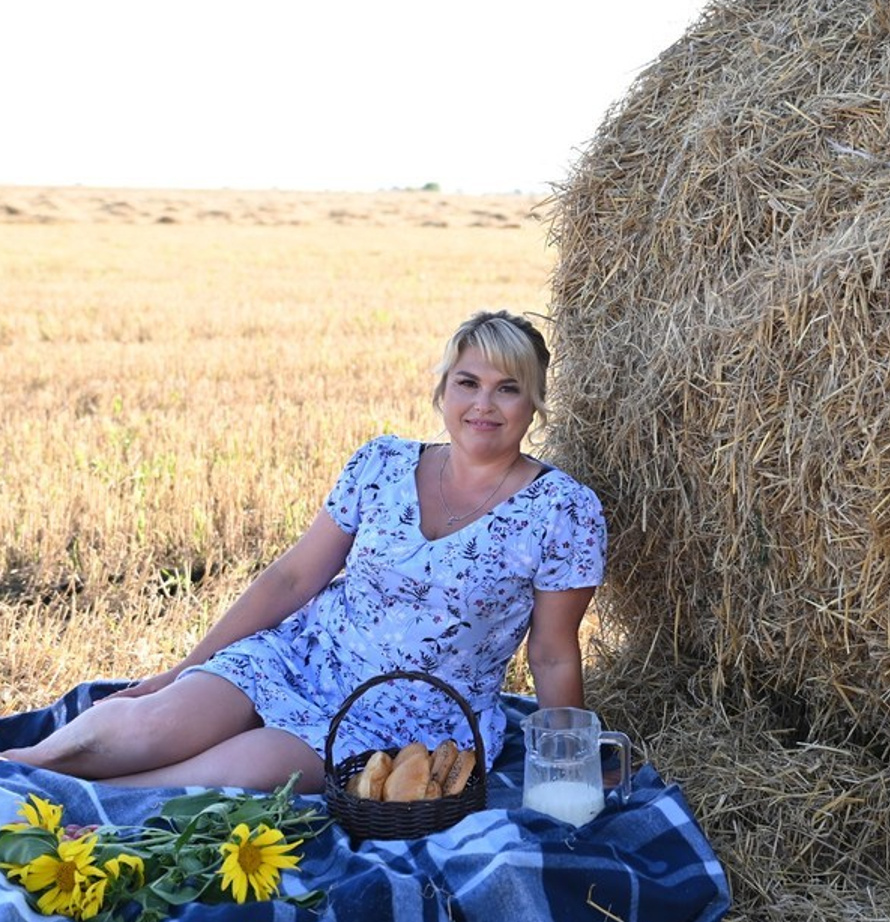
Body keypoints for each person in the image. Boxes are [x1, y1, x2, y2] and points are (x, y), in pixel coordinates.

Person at [1, 310, 606, 793]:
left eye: (508, 390)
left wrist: (570, 763)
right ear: (443, 390)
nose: (483, 405)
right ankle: (17, 767)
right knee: (149, 724)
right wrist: (182, 668)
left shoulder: (563, 511)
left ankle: (81, 805)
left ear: (535, 403)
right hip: (299, 657)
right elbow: (292, 580)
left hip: (405, 722)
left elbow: (552, 655)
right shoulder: (382, 463)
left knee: (232, 776)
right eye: (467, 383)